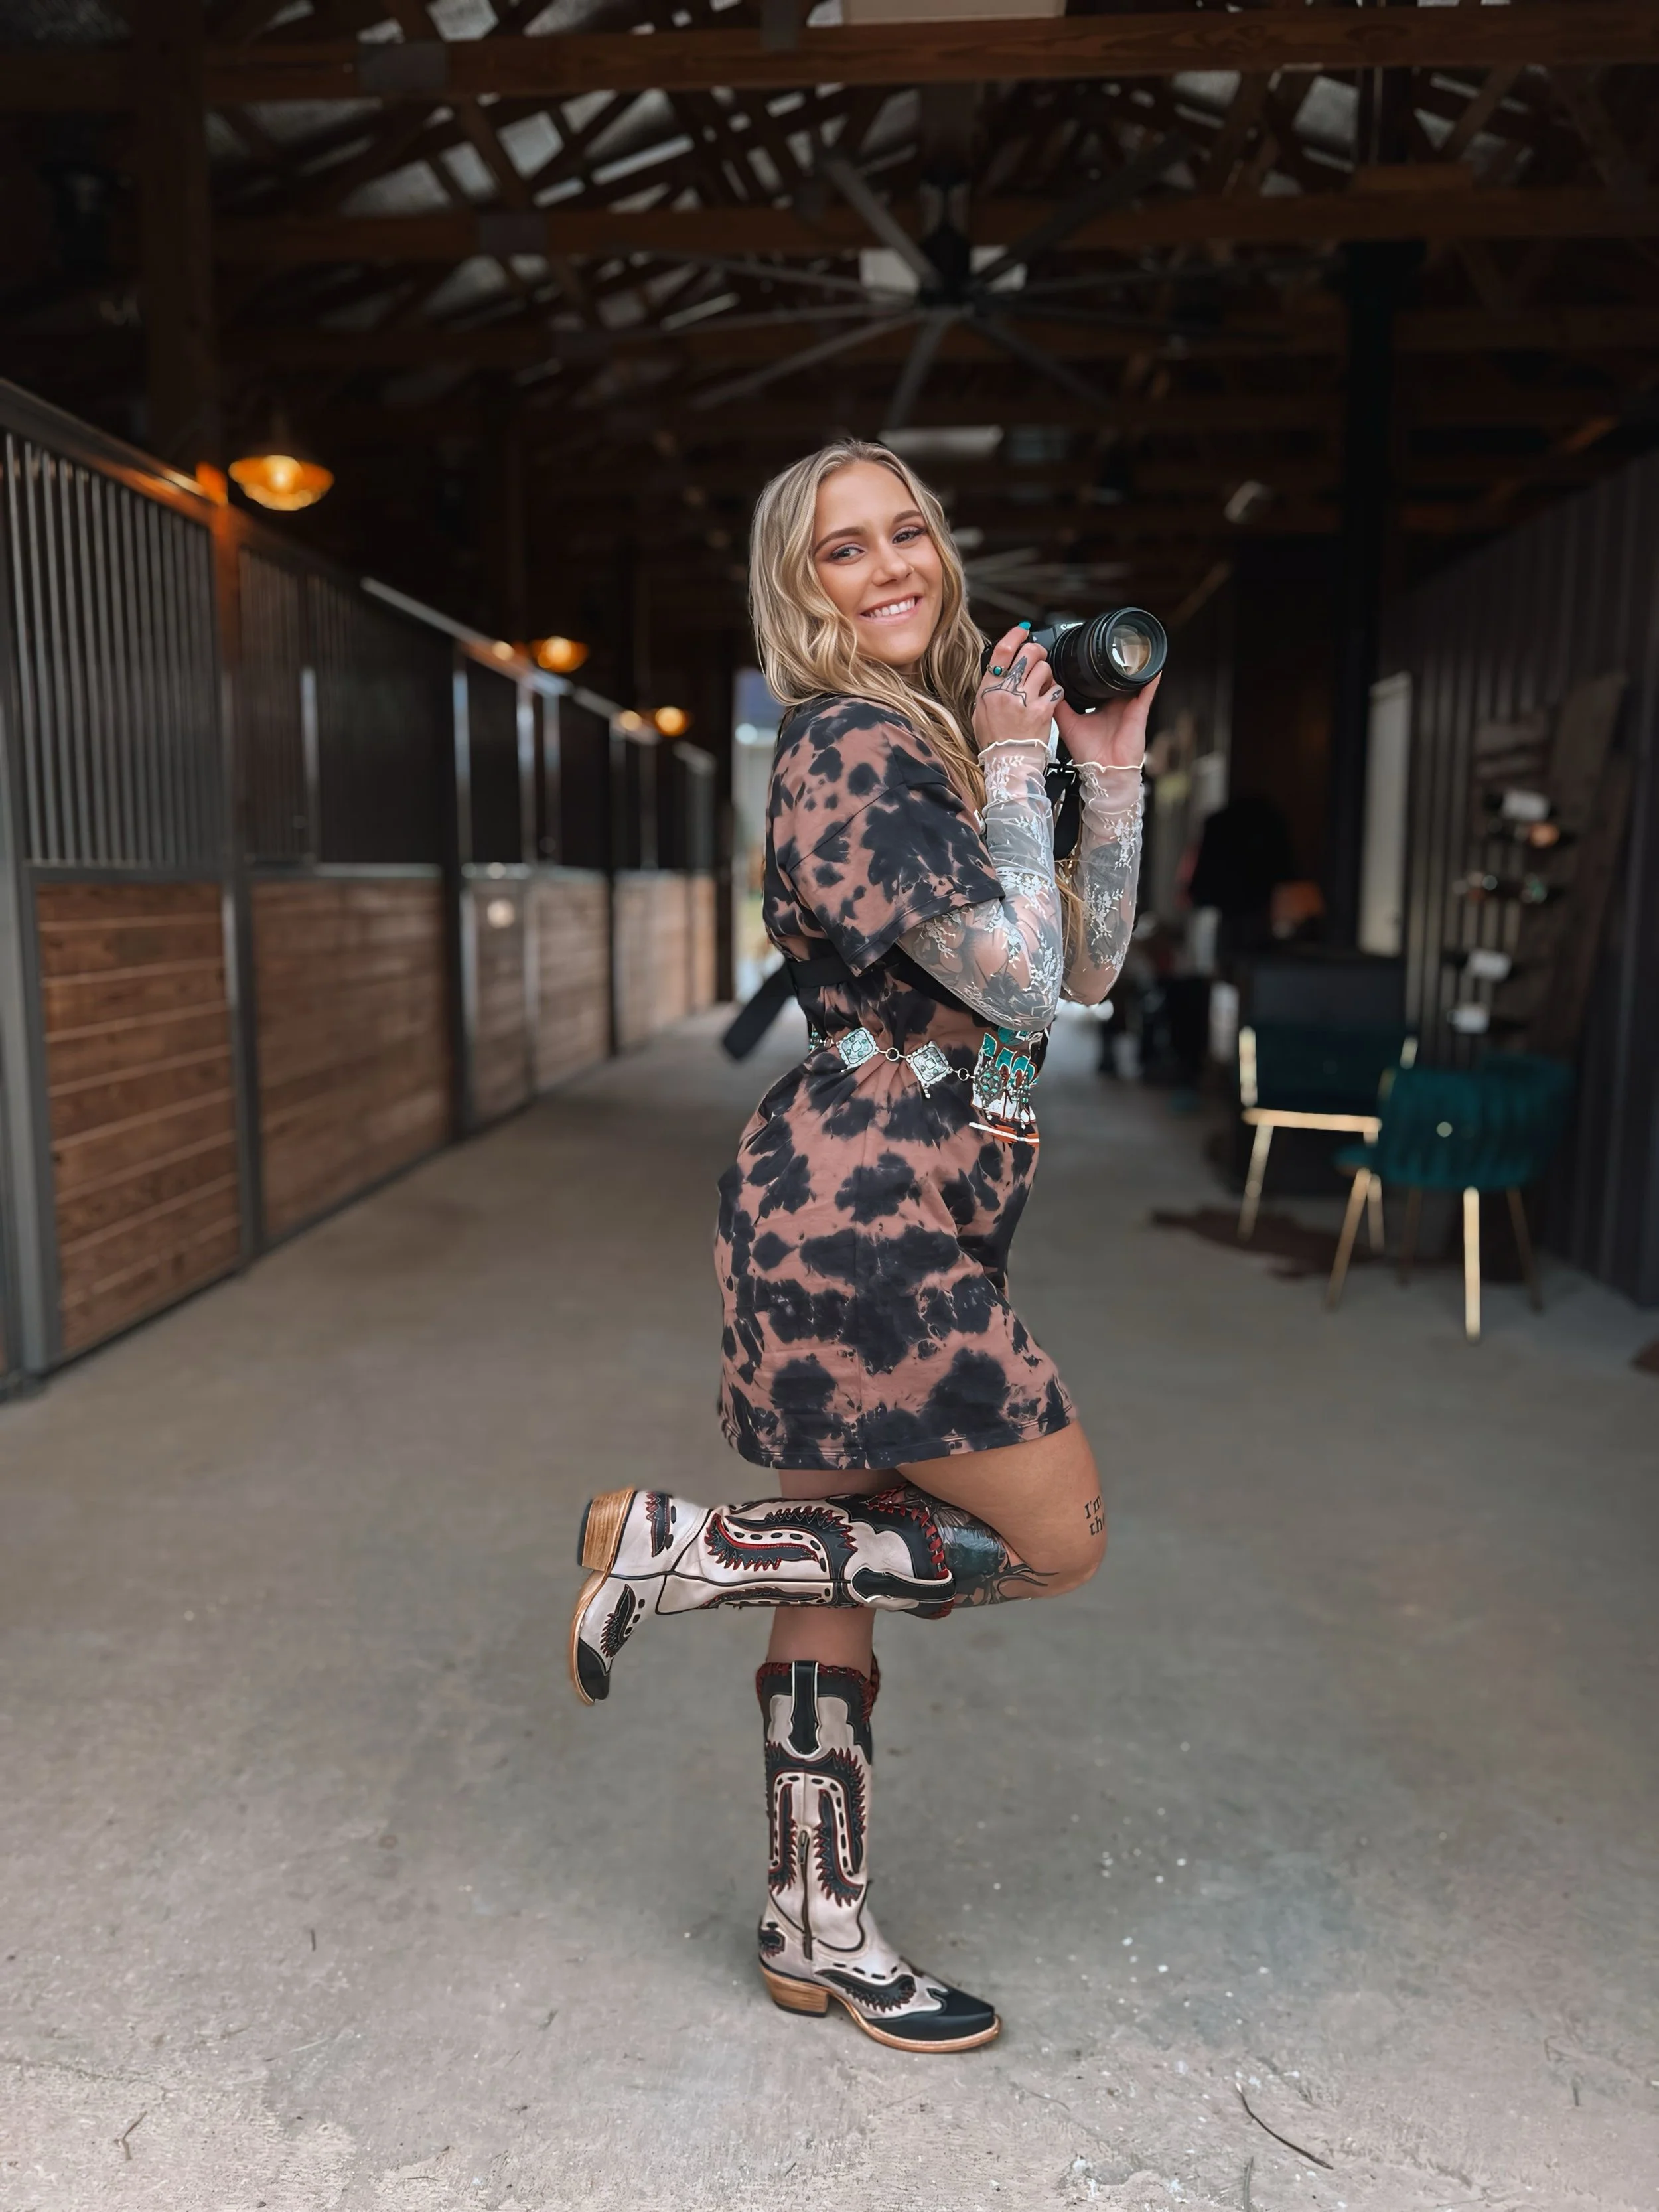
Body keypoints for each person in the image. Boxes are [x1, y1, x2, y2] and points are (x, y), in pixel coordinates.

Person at [569, 441, 1154, 2053]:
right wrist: (1018, 764)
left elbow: (1084, 964)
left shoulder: (934, 743)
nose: (890, 564)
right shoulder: (847, 754)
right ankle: (679, 1547)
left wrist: (1098, 764)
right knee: (1059, 1539)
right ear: (798, 588)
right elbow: (1022, 993)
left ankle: (813, 1931)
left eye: (908, 532)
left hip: (881, 1205)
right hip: (863, 1228)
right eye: (844, 551)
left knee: (842, 1576)